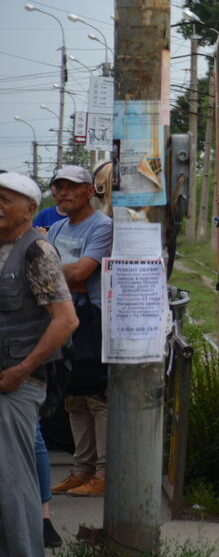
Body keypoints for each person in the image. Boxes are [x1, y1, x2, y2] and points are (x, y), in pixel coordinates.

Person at [0, 172, 78, 557]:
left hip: (17, 381)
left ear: (29, 209)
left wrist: (20, 370)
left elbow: (66, 321)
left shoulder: (37, 251)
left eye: (5, 199)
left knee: (13, 481)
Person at [45, 165, 112, 499]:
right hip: (63, 316)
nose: (62, 193)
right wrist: (69, 276)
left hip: (93, 319)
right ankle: (82, 469)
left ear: (89, 190)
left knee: (98, 397)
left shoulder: (102, 226)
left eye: (71, 187)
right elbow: (64, 274)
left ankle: (104, 473)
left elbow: (83, 271)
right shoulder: (56, 228)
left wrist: (65, 275)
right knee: (73, 398)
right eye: (58, 187)